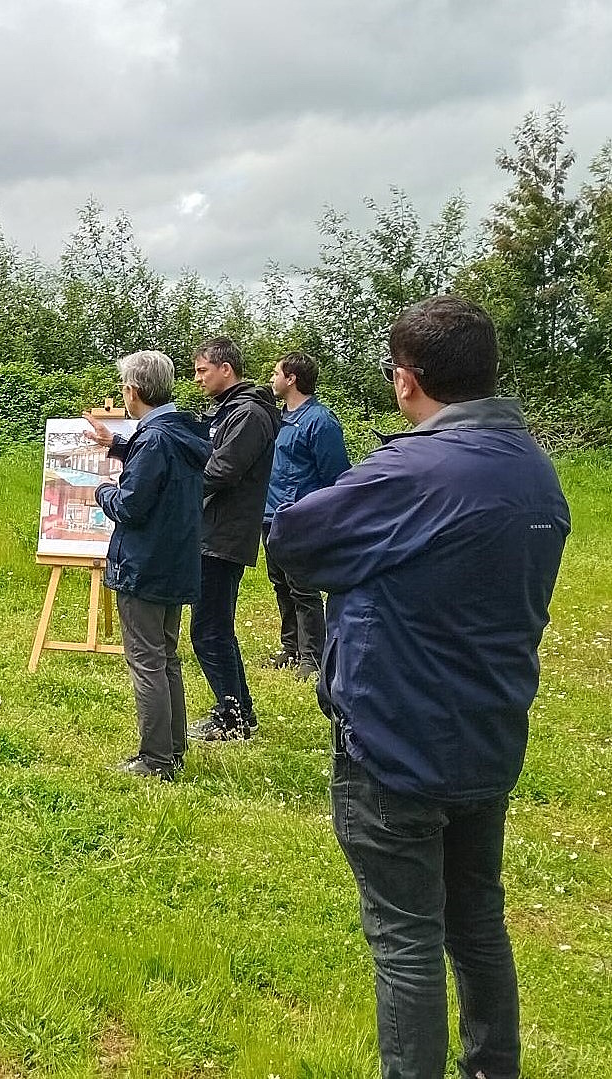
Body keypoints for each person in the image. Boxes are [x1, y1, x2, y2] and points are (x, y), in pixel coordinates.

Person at [269, 296, 568, 1079]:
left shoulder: (411, 468)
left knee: (404, 941)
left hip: (394, 739)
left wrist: (363, 561)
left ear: (407, 381)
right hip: (489, 731)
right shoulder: (533, 468)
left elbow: (293, 539)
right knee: (476, 923)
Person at [85, 350, 211, 781]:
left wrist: (103, 491)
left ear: (133, 391)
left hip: (145, 564)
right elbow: (160, 467)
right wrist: (119, 445)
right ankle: (173, 746)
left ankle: (155, 759)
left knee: (146, 661)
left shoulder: (155, 438)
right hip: (175, 559)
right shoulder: (180, 431)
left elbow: (132, 506)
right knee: (166, 656)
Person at [187, 336, 281, 742]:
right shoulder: (226, 412)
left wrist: (177, 490)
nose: (197, 378)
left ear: (227, 368)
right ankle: (236, 712)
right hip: (212, 529)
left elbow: (222, 470)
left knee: (209, 629)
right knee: (212, 626)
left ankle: (234, 717)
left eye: (202, 370)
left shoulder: (247, 415)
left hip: (223, 534)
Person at [260, 351, 350, 681]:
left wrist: (327, 518)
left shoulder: (320, 422)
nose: (272, 378)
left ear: (292, 378)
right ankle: (291, 648)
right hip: (270, 516)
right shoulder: (276, 418)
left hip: (301, 519)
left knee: (304, 589)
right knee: (280, 584)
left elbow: (336, 475)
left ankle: (313, 656)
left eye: (275, 372)